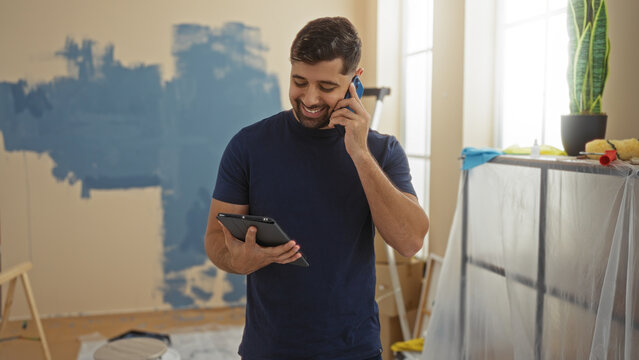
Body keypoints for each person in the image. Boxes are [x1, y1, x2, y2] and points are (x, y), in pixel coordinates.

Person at [204, 16, 429, 360]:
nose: (309, 98)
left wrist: (359, 153)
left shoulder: (382, 152)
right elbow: (215, 239)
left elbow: (410, 241)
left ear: (355, 81)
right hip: (269, 349)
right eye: (299, 82)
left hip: (354, 349)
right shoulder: (248, 146)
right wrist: (238, 261)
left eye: (326, 87)